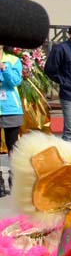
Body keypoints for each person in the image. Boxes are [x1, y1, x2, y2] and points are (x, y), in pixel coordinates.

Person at [0, 46, 24, 196]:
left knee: (13, 146)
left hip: (11, 109)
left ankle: (14, 179)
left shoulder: (13, 59)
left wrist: (3, 68)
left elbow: (15, 81)